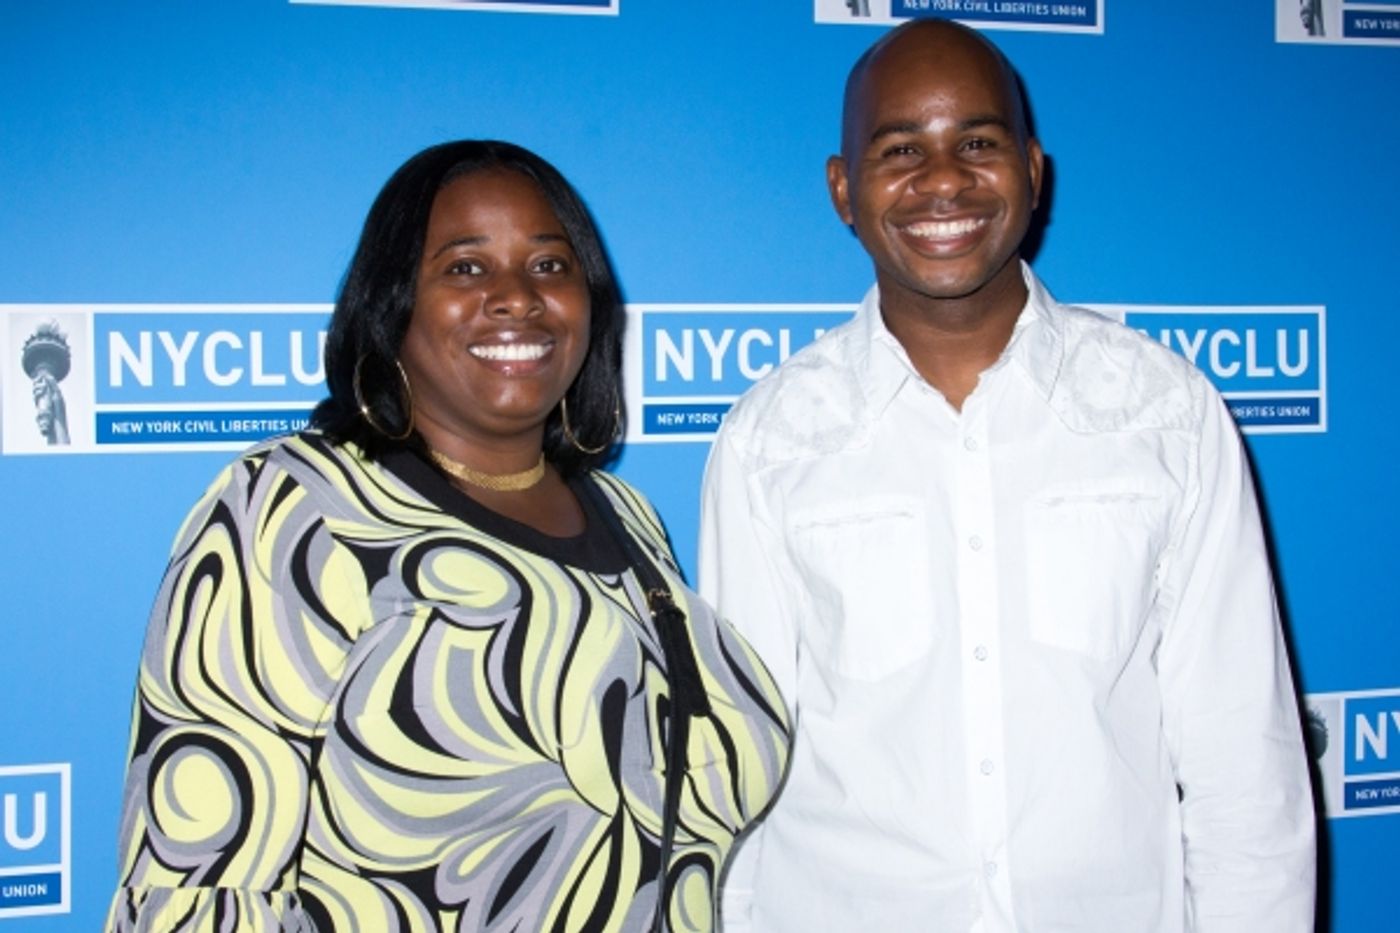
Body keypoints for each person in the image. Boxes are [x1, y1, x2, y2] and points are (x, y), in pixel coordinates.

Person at [700, 20, 1315, 933]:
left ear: (1033, 170)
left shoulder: (1166, 414)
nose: (943, 180)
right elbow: (735, 780)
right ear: (842, 189)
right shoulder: (771, 439)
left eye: (977, 144)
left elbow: (1244, 767)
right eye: (900, 148)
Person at [107, 140, 790, 932]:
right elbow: (197, 888)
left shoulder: (627, 518)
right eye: (465, 268)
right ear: (392, 302)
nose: (516, 298)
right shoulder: (297, 509)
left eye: (549, 266)